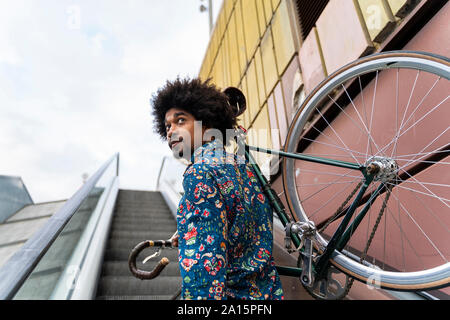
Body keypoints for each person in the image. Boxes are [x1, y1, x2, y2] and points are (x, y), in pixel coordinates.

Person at [150, 77, 283, 300]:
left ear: (208, 125)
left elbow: (205, 269)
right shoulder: (246, 168)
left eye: (180, 121)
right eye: (167, 126)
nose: (171, 130)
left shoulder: (199, 174)